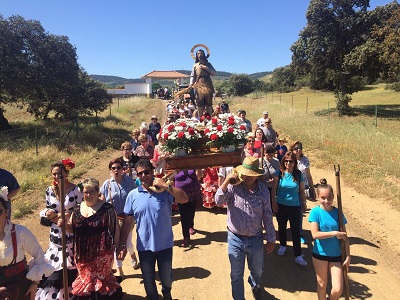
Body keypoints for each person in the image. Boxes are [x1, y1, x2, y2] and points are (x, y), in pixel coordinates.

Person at [118, 159, 188, 300]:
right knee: (149, 281)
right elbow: (127, 222)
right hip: (144, 247)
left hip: (165, 245)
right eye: (140, 174)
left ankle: (166, 293)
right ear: (136, 176)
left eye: (146, 172)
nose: (144, 176)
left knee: (166, 279)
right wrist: (122, 245)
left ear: (152, 172)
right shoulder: (132, 195)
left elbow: (184, 199)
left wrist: (167, 186)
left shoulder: (165, 190)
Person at [215, 157, 276, 300]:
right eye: (246, 173)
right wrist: (226, 180)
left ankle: (254, 284)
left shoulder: (263, 192)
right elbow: (218, 201)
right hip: (235, 239)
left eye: (252, 174)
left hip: (255, 238)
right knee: (236, 275)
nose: (248, 177)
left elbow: (267, 215)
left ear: (257, 175)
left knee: (257, 271)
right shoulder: (233, 187)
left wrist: (271, 238)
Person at [66, 177, 123, 299]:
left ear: (98, 192)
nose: (88, 195)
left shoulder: (107, 209)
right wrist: (63, 225)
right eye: (85, 192)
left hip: (101, 254)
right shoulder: (77, 209)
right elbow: (71, 228)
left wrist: (118, 248)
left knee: (99, 283)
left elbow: (115, 230)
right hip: (82, 254)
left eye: (91, 192)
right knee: (86, 282)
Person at [36, 159, 83, 300]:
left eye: (60, 174)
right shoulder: (49, 191)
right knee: (54, 273)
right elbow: (48, 209)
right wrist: (48, 214)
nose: (57, 177)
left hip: (70, 236)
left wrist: (67, 215)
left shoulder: (76, 190)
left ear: (66, 173)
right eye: (54, 174)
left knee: (70, 272)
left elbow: (81, 210)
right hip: (55, 237)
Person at [0, 188, 54, 300]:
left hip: (19, 289)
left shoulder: (20, 232)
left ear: (6, 212)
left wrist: (34, 283)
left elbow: (39, 255)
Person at [309, 181, 351, 300]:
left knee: (338, 289)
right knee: (322, 284)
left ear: (333, 197)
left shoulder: (338, 212)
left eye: (329, 198)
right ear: (318, 197)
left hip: (337, 255)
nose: (326, 201)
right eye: (323, 198)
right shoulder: (315, 212)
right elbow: (315, 234)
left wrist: (348, 256)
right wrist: (333, 233)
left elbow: (345, 237)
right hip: (320, 254)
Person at [100, 158, 139, 277]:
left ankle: (132, 255)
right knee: (116, 245)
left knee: (127, 243)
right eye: (113, 168)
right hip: (113, 219)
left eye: (118, 167)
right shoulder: (107, 184)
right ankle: (120, 271)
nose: (116, 170)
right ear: (110, 170)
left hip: (128, 217)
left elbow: (135, 197)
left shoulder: (129, 182)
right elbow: (102, 200)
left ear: (123, 169)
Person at [271, 151, 308, 267]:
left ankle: (298, 255)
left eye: (290, 161)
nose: (288, 163)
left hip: (295, 206)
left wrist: (304, 202)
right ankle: (282, 245)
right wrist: (273, 202)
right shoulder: (279, 173)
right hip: (281, 205)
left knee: (296, 230)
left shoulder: (298, 174)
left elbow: (301, 190)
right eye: (286, 161)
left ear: (294, 162)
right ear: (283, 162)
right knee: (281, 226)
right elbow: (274, 189)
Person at [292, 140, 316, 244]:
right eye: (295, 148)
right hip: (292, 189)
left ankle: (299, 233)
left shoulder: (305, 160)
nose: (298, 150)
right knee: (292, 211)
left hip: (303, 189)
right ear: (292, 150)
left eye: (299, 148)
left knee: (300, 211)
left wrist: (313, 189)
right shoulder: (289, 159)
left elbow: (309, 175)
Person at [173, 169, 202, 247]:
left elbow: (199, 175)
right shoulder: (173, 164)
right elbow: (169, 177)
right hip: (180, 194)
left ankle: (190, 226)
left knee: (191, 212)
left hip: (193, 192)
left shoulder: (191, 162)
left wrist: (200, 167)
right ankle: (186, 236)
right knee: (184, 215)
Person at [189, 49, 216, 117]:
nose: (199, 55)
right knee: (199, 102)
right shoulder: (195, 65)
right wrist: (191, 84)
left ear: (204, 55)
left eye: (201, 53)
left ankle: (209, 117)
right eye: (198, 53)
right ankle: (200, 118)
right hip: (199, 84)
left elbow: (214, 73)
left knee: (209, 102)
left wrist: (206, 68)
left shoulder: (208, 64)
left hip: (207, 83)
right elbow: (192, 75)